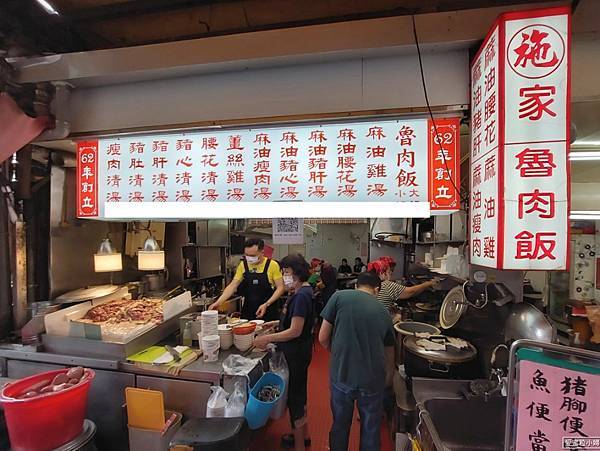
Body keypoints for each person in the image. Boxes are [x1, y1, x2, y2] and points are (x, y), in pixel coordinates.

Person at [319, 272, 395, 451]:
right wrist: (388, 378)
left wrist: (337, 351)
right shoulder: (384, 311)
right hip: (372, 380)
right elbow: (389, 353)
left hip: (342, 374)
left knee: (340, 425)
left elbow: (322, 337)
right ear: (376, 290)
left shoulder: (338, 297)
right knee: (370, 430)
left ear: (356, 286)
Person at [254, 254, 314, 451]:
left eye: (286, 272)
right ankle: (303, 436)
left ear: (297, 273)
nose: (283, 276)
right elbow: (292, 321)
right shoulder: (298, 292)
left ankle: (299, 446)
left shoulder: (302, 296)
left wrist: (266, 338)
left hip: (295, 355)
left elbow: (296, 330)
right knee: (299, 396)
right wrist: (273, 324)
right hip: (298, 352)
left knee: (295, 399)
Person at [209, 238, 284, 320]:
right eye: (246, 255)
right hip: (248, 311)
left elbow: (280, 287)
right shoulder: (243, 265)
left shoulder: (272, 265)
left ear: (262, 252)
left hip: (268, 311)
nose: (249, 258)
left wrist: (267, 304)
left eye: (252, 256)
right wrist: (218, 302)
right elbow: (233, 286)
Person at [368, 258, 439, 313]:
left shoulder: (369, 284)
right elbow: (411, 292)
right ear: (382, 273)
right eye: (389, 272)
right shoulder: (387, 285)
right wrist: (428, 283)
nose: (391, 274)